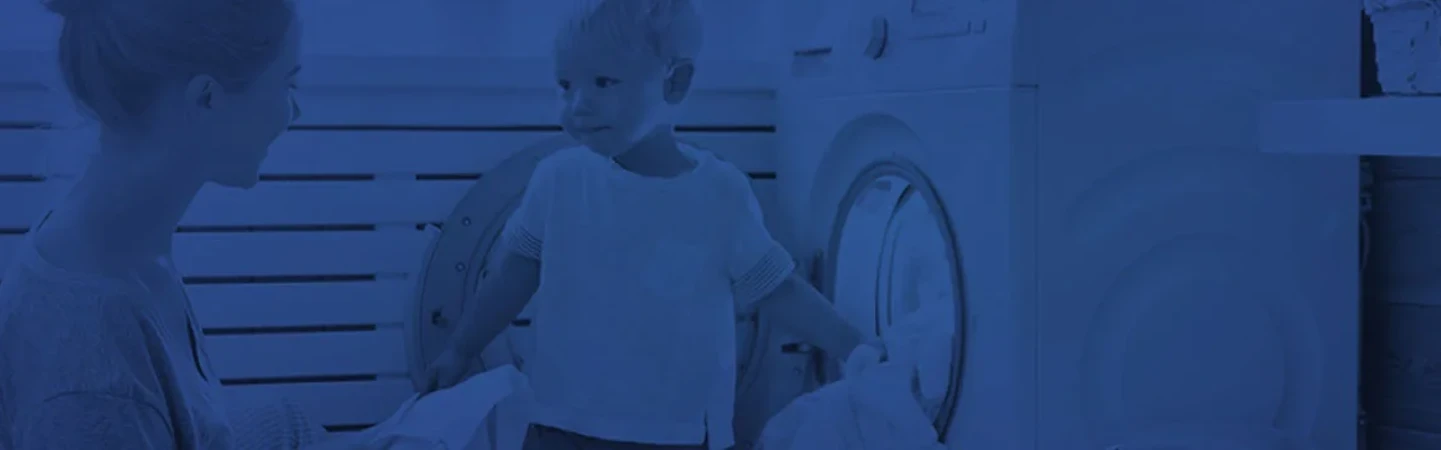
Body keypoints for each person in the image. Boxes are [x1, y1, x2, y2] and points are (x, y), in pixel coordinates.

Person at [421, 1, 881, 449]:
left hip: (675, 430)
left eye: (603, 82)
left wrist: (854, 347)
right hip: (561, 417)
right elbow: (511, 276)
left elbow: (777, 288)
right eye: (566, 85)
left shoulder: (719, 192)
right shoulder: (557, 180)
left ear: (675, 83)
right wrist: (461, 349)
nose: (579, 104)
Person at [0, 0, 306, 448]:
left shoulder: (123, 242)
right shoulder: (93, 382)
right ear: (206, 98)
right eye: (286, 84)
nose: (293, 112)